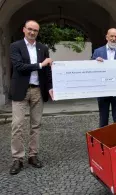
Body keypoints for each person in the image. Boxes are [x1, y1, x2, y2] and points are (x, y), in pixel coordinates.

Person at [9, 20, 53, 175]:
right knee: (17, 125)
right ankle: (17, 159)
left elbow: (47, 72)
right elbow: (19, 67)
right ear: (24, 30)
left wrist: (50, 87)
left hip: (37, 91)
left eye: (35, 30)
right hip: (21, 90)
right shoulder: (15, 46)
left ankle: (33, 156)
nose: (32, 32)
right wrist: (41, 64)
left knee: (36, 125)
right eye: (30, 29)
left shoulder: (43, 48)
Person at [91, 28, 116, 127]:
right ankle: (103, 140)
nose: (113, 38)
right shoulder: (97, 52)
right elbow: (91, 70)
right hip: (103, 90)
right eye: (111, 36)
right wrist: (95, 63)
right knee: (103, 118)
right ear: (107, 37)